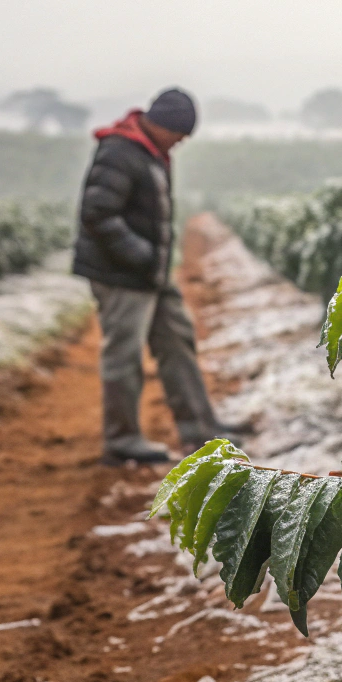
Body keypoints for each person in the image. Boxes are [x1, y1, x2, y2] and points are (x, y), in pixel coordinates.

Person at [71, 88, 230, 464]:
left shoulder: (149, 151)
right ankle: (122, 440)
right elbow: (97, 213)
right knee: (124, 355)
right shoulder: (120, 151)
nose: (182, 141)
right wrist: (140, 255)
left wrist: (151, 262)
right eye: (179, 133)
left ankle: (201, 429)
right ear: (161, 124)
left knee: (177, 340)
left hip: (149, 272)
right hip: (120, 273)